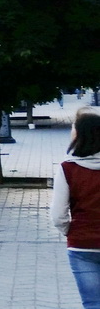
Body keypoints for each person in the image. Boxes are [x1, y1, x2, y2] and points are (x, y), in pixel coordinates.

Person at [52, 109, 100, 308]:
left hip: (82, 244)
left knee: (92, 303)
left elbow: (58, 215)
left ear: (79, 135)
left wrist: (70, 231)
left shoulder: (67, 168)